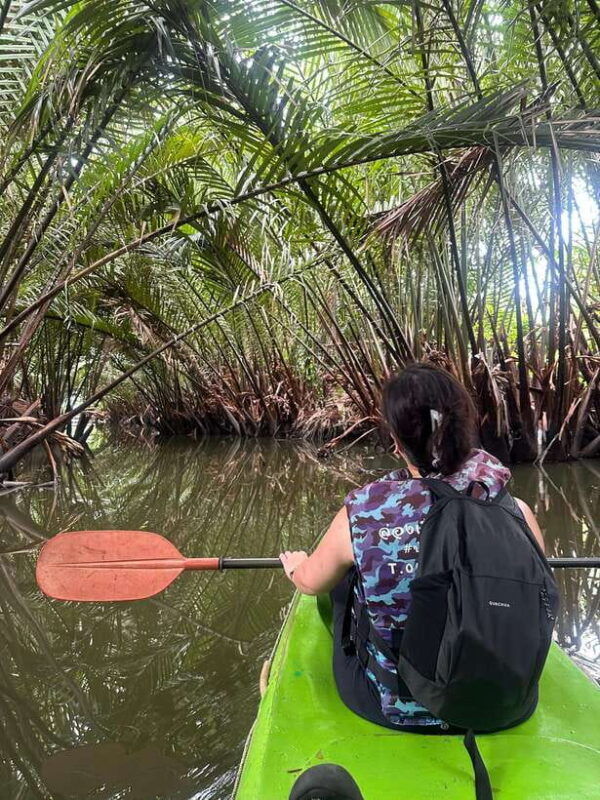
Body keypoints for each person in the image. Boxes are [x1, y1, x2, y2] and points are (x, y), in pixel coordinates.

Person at [279, 363, 544, 732]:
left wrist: (298, 566)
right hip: (507, 704)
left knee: (341, 583)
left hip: (401, 709)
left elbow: (311, 583)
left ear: (397, 441)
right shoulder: (515, 511)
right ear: (466, 426)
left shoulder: (362, 514)